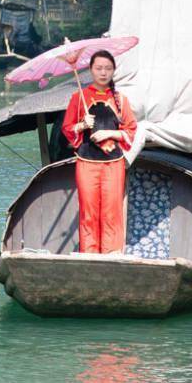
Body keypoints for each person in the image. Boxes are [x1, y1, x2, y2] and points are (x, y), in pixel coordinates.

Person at [63, 51, 137, 254]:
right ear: (91, 70)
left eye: (108, 68)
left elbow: (130, 130)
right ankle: (89, 254)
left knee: (112, 211)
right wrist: (81, 125)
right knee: (89, 211)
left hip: (114, 163)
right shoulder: (79, 97)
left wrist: (108, 133)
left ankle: (112, 254)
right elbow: (67, 129)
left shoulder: (121, 100)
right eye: (98, 68)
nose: (103, 73)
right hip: (87, 163)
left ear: (113, 71)